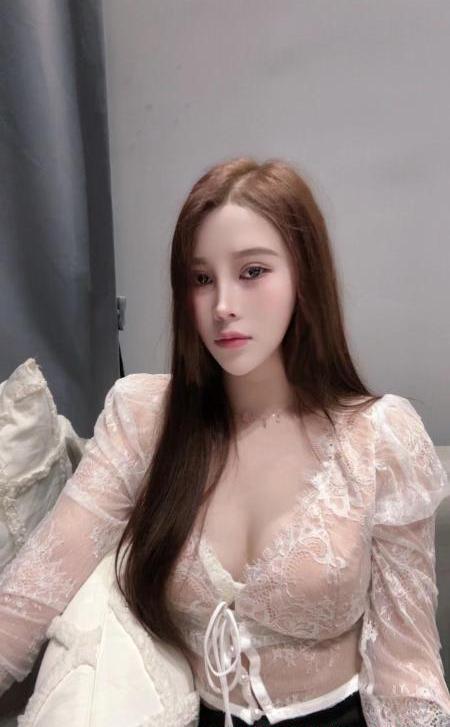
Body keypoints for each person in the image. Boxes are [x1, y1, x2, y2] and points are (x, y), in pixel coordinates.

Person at [1, 157, 450, 727]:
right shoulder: (144, 419)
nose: (222, 307)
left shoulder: (380, 438)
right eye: (201, 279)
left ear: (304, 275)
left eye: (252, 271)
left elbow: (406, 668)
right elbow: (35, 587)